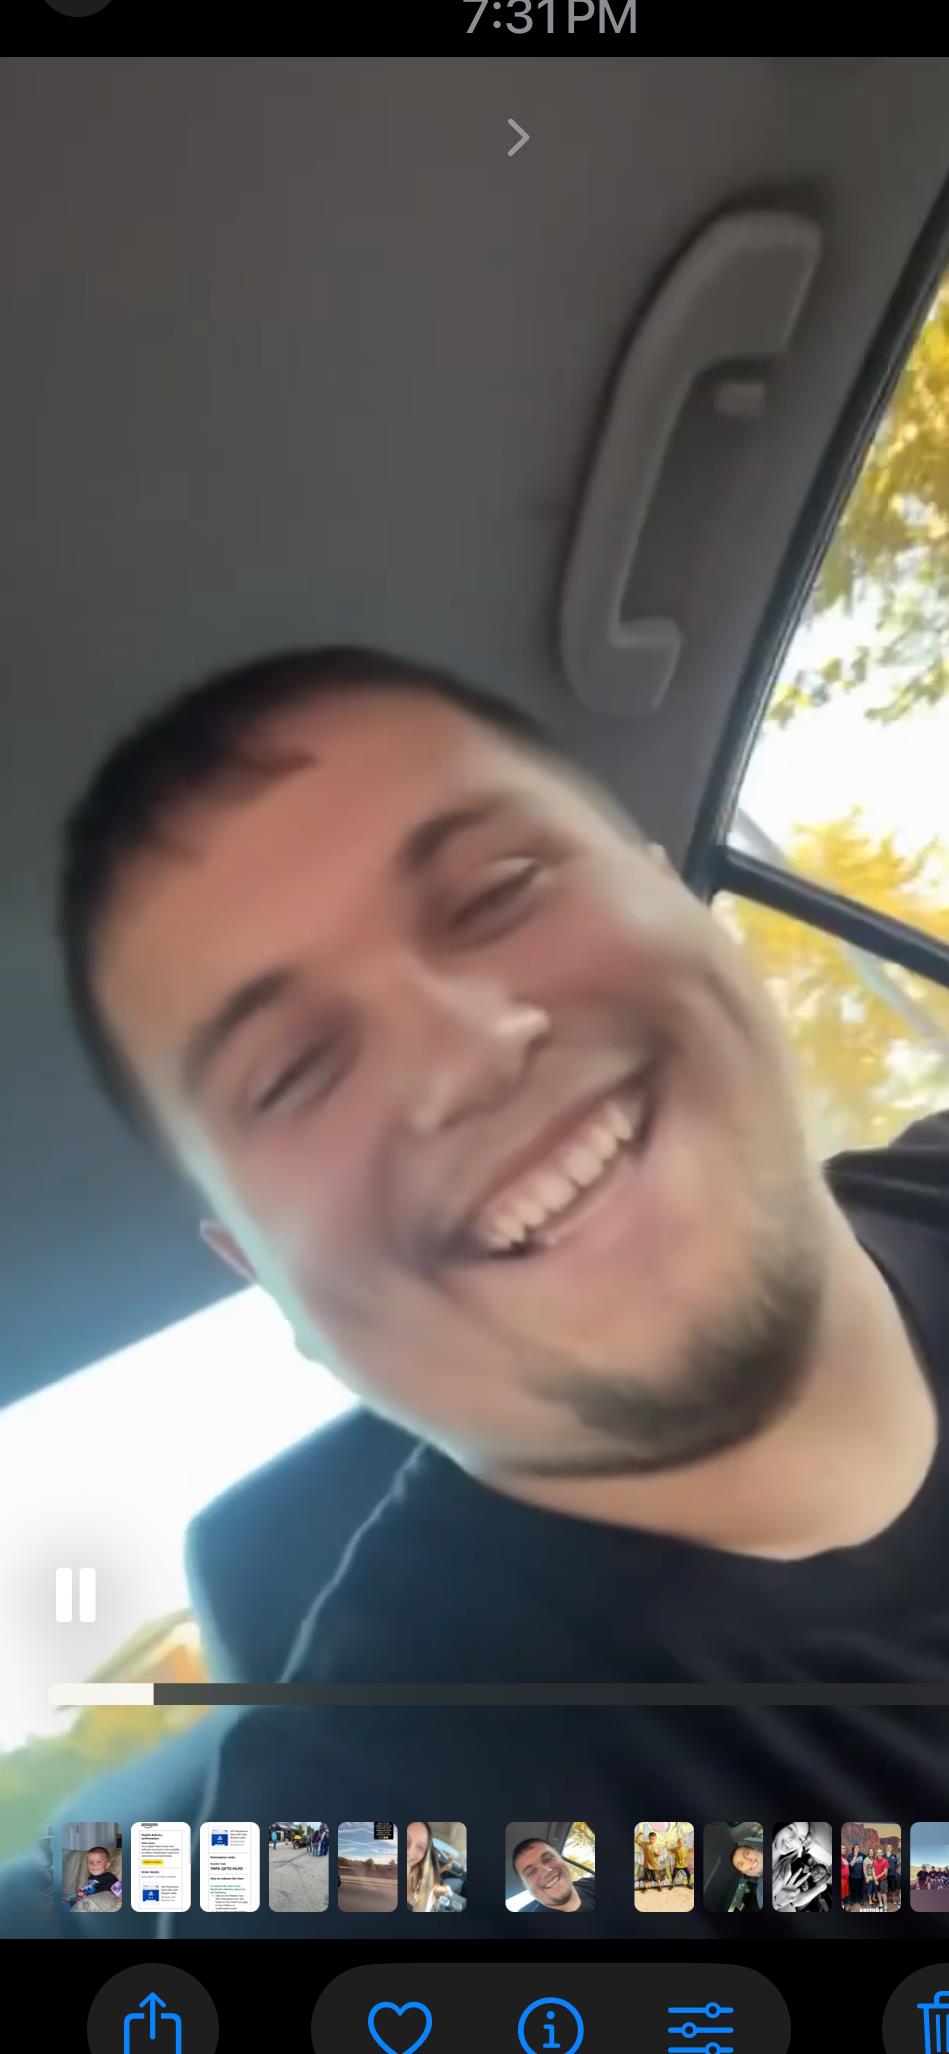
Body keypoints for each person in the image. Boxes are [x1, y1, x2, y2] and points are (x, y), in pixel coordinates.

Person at [3, 641, 949, 1941]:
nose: (464, 1050)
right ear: (263, 1281)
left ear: (670, 888)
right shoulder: (392, 1853)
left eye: (497, 890)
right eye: (292, 1074)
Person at [511, 1837, 594, 1912]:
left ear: (561, 1860)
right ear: (526, 1887)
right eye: (531, 1872)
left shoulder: (591, 1883)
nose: (545, 1872)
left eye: (548, 1859)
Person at [406, 1821, 452, 1913]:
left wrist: (443, 1869)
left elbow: (426, 1874)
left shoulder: (415, 1869)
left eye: (420, 1847)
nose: (409, 1852)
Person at [69, 1845, 120, 1911]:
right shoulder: (91, 1877)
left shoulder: (109, 1877)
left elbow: (119, 1889)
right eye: (91, 1862)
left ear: (107, 1865)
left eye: (98, 1862)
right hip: (84, 1898)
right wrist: (79, 1893)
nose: (94, 1865)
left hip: (99, 1902)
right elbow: (88, 1889)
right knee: (67, 1898)